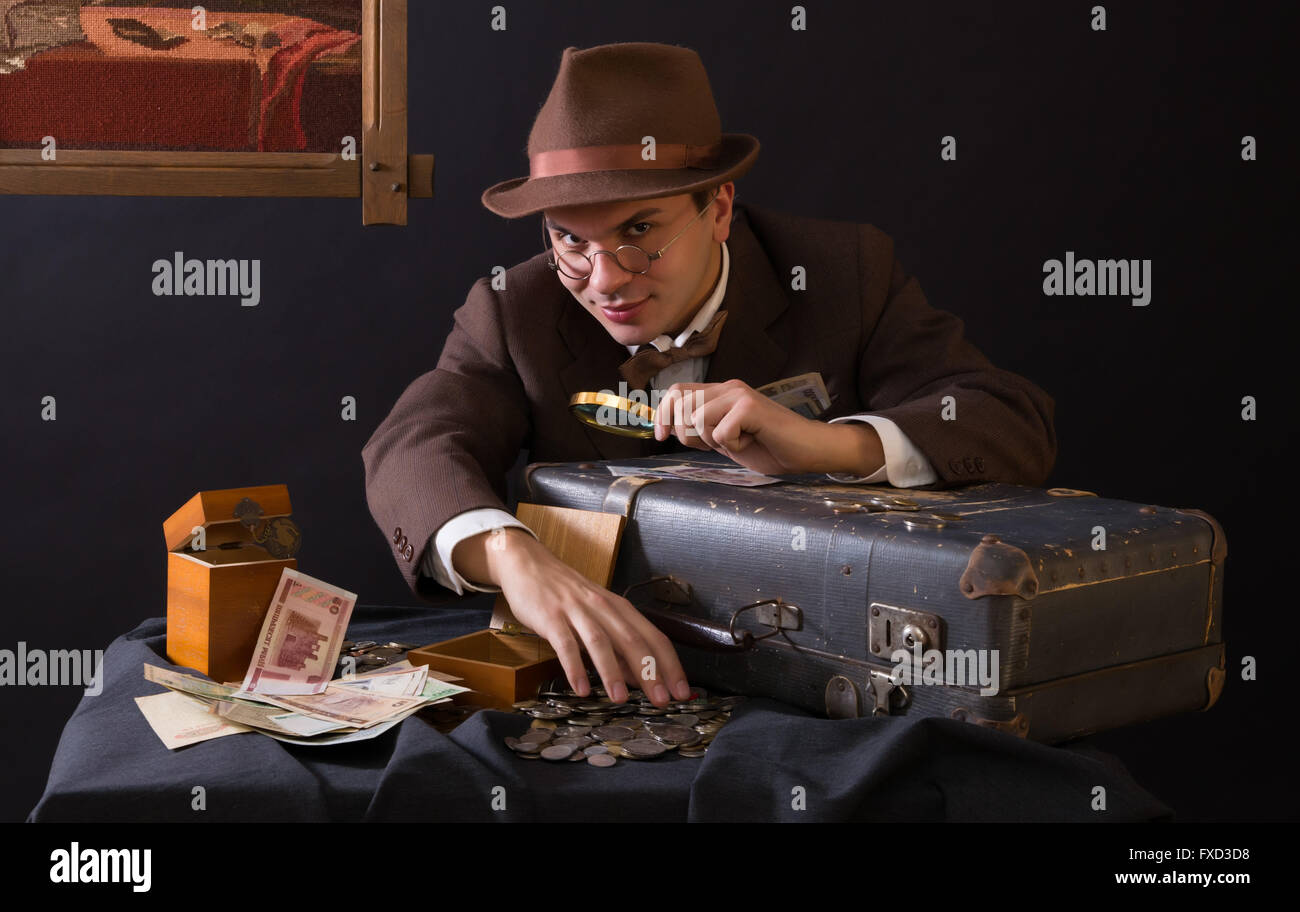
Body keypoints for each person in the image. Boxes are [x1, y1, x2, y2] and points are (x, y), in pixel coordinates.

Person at [362, 42, 1056, 710]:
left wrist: (829, 447)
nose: (604, 281)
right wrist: (517, 561)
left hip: (821, 675)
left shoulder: (845, 272)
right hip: (603, 683)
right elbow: (410, 447)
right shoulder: (515, 308)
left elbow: (1007, 418)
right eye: (571, 239)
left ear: (719, 208)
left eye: (639, 231)